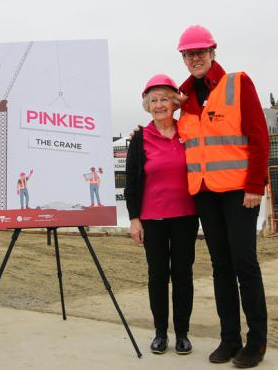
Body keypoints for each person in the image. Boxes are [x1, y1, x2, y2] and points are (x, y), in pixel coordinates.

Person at [176, 25, 269, 368]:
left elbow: (259, 136)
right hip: (204, 193)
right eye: (189, 54)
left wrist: (255, 186)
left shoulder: (237, 84)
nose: (196, 58)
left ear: (213, 52)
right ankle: (229, 338)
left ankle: (256, 342)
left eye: (201, 52)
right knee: (220, 266)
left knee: (245, 262)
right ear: (183, 59)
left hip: (238, 192)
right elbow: (174, 138)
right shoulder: (182, 100)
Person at [125, 74, 199, 356]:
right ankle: (160, 333)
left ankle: (182, 334)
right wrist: (134, 218)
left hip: (186, 216)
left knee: (183, 275)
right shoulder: (140, 138)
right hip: (152, 219)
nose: (159, 105)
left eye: (165, 99)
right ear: (147, 105)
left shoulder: (188, 132)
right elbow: (131, 181)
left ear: (175, 103)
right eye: (153, 100)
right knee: (157, 276)